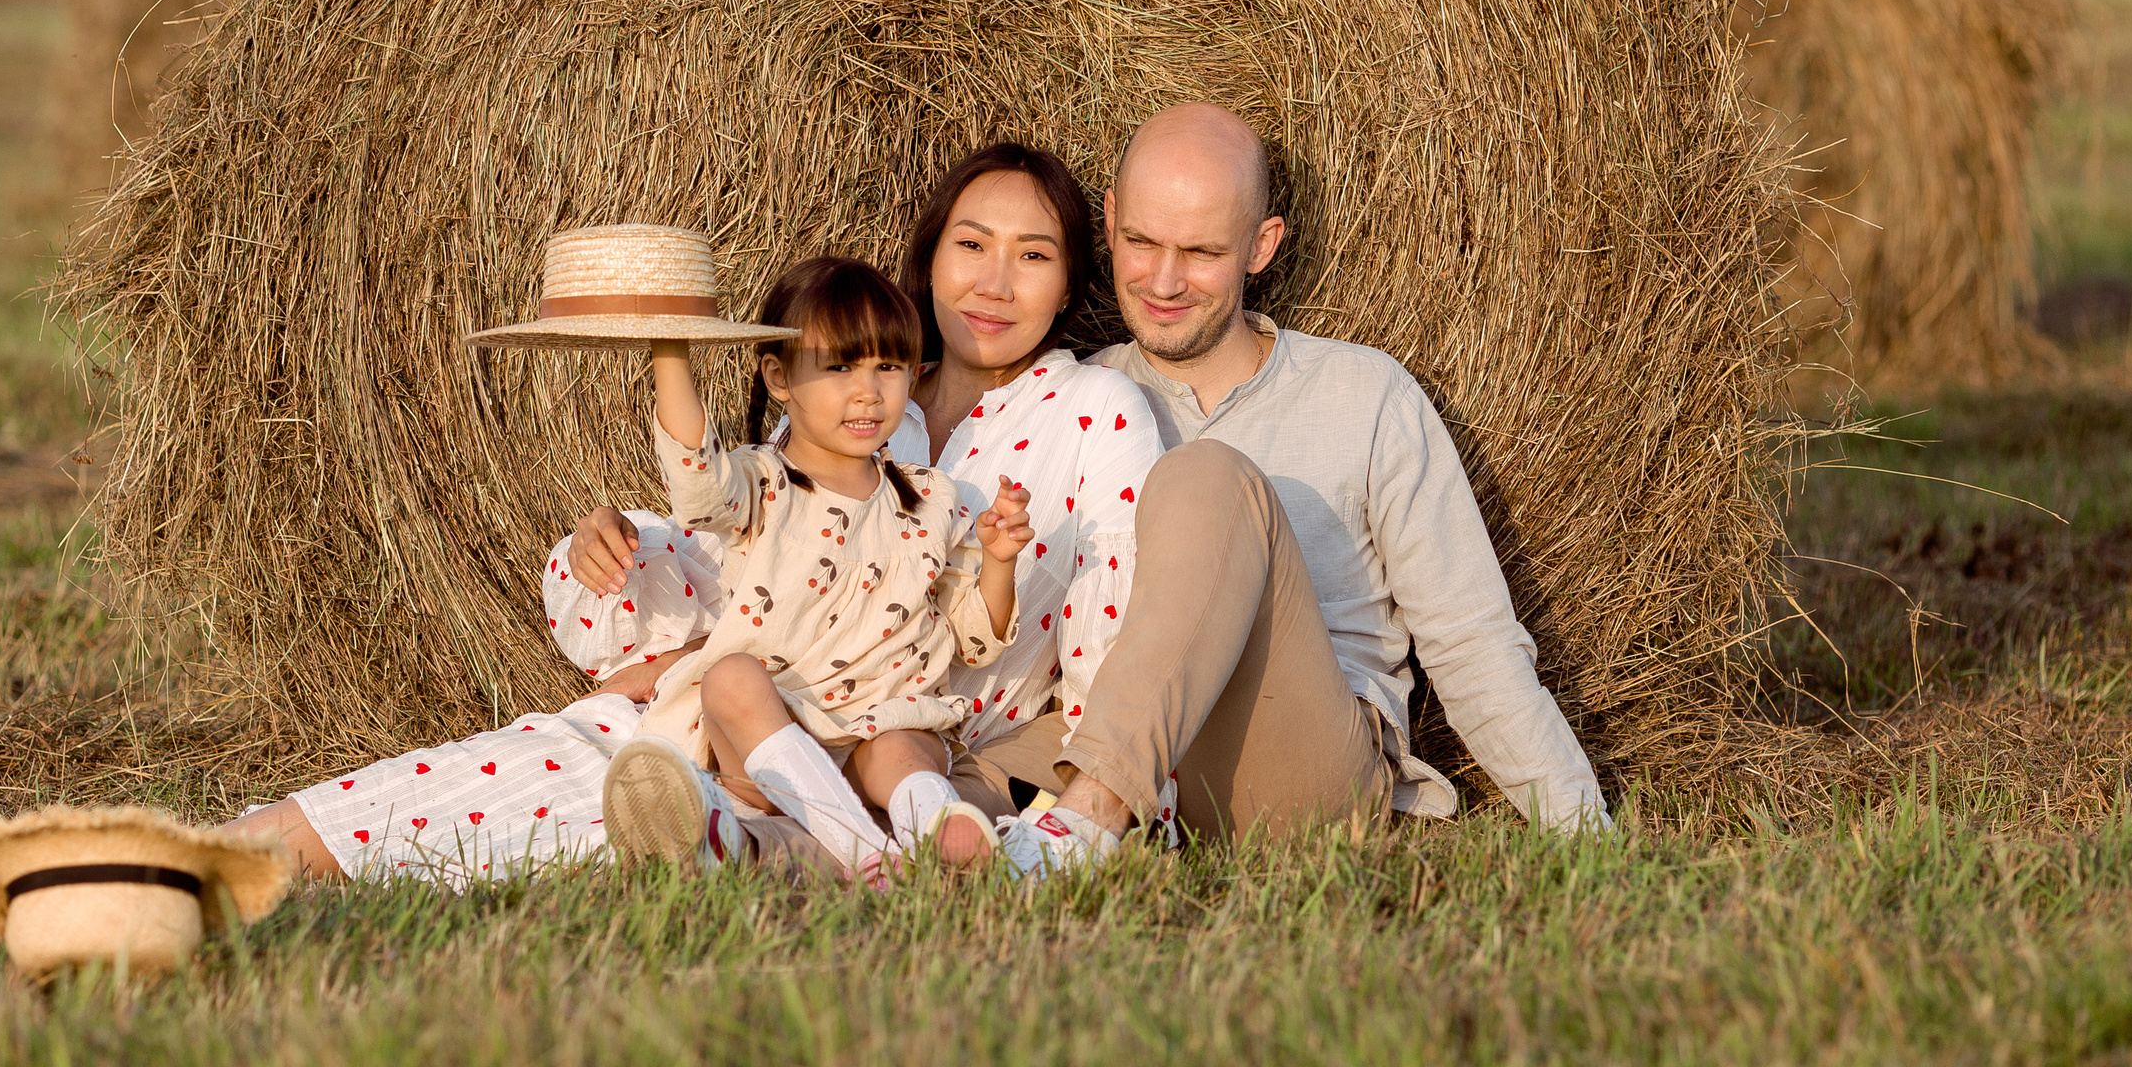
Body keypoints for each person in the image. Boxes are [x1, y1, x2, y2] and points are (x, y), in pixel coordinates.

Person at [234, 143, 1162, 884]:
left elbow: (1111, 622)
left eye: (1033, 255)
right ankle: (183, 861)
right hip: (733, 721)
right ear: (929, 255)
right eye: (972, 244)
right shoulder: (856, 391)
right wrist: (624, 547)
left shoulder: (1092, 412)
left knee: (614, 818)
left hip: (908, 750)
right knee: (430, 792)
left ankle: (821, 842)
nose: (995, 282)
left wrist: (1078, 801)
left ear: (1072, 275)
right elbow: (737, 529)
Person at [980, 103, 1612, 874]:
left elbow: (1473, 643)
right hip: (1119, 733)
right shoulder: (1074, 397)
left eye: (1202, 251)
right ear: (1109, 223)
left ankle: (1088, 819)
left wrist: (1584, 831)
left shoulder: (1365, 393)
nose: (1164, 280)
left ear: (1261, 246)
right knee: (935, 783)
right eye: (1141, 241)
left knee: (1206, 477)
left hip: (1296, 771)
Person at [607, 255, 1031, 884]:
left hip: (880, 734)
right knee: (729, 678)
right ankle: (872, 854)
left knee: (901, 749)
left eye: (888, 366)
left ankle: (932, 830)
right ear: (778, 377)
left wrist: (1000, 561)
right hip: (773, 744)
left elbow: (975, 638)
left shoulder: (933, 499)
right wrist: (671, 345)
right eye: (839, 367)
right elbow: (696, 481)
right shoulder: (762, 484)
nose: (869, 391)